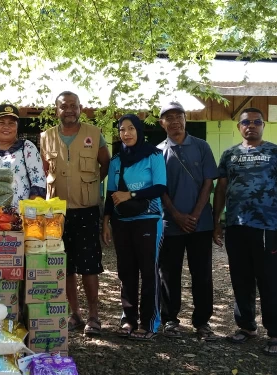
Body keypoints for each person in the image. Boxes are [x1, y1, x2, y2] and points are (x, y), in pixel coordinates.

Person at [213, 107, 277, 357]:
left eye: (257, 122)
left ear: (263, 125)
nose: (251, 126)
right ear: (239, 126)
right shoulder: (230, 155)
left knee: (270, 281)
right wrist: (216, 222)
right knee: (241, 279)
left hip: (267, 227)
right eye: (246, 122)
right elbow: (221, 190)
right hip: (236, 227)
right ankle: (246, 327)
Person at [40, 91, 110, 336]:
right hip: (56, 213)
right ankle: (75, 314)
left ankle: (93, 316)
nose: (68, 109)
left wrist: (88, 187)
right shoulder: (45, 137)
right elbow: (44, 170)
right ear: (56, 109)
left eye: (73, 105)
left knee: (90, 265)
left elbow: (106, 164)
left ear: (81, 108)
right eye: (63, 106)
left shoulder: (94, 134)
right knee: (65, 265)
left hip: (87, 210)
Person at [156, 101, 220, 341]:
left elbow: (208, 183)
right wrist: (176, 215)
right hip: (170, 224)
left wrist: (194, 215)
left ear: (185, 119)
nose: (174, 122)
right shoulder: (158, 151)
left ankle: (202, 322)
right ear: (162, 123)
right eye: (168, 118)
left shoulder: (201, 147)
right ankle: (170, 320)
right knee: (169, 273)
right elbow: (159, 189)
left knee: (202, 274)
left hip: (200, 224)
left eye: (178, 116)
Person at [101, 114, 166, 341]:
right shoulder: (116, 161)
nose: (126, 133)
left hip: (148, 219)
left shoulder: (154, 155)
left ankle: (150, 323)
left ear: (139, 131)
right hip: (121, 222)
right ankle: (129, 319)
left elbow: (159, 187)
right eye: (122, 129)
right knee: (126, 272)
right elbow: (110, 194)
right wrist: (106, 221)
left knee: (149, 272)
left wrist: (131, 194)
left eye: (131, 128)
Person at [0, 104, 46, 207]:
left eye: (11, 123)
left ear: (17, 126)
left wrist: (30, 213)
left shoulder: (27, 148)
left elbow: (39, 182)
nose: (6, 127)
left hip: (18, 217)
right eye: (1, 122)